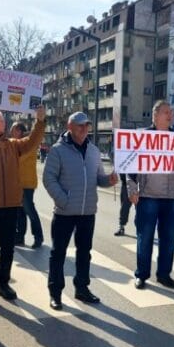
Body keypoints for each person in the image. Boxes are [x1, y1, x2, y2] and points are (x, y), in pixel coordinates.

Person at [0, 104, 46, 304]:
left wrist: (40, 121)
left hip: (11, 206)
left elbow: (32, 142)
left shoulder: (13, 144)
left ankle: (3, 283)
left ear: (4, 124)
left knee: (7, 248)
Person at [43, 111, 118, 310]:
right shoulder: (58, 150)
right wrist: (63, 200)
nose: (84, 129)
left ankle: (82, 289)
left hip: (87, 212)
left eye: (86, 125)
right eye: (80, 125)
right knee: (58, 253)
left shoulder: (93, 151)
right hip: (64, 212)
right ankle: (56, 293)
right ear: (70, 127)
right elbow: (48, 179)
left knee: (84, 253)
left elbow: (99, 178)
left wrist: (109, 181)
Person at [129, 101, 174, 290]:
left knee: (168, 239)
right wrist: (132, 189)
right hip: (147, 196)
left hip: (171, 197)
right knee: (144, 238)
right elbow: (129, 165)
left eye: (171, 113)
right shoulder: (142, 137)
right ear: (155, 115)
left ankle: (164, 274)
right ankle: (142, 274)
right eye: (166, 112)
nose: (170, 115)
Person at [11, 122, 44, 249]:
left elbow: (19, 159)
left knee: (29, 210)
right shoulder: (17, 143)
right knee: (20, 212)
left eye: (13, 129)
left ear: (19, 131)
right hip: (19, 182)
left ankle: (38, 237)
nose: (11, 132)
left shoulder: (28, 142)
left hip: (26, 182)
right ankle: (20, 237)